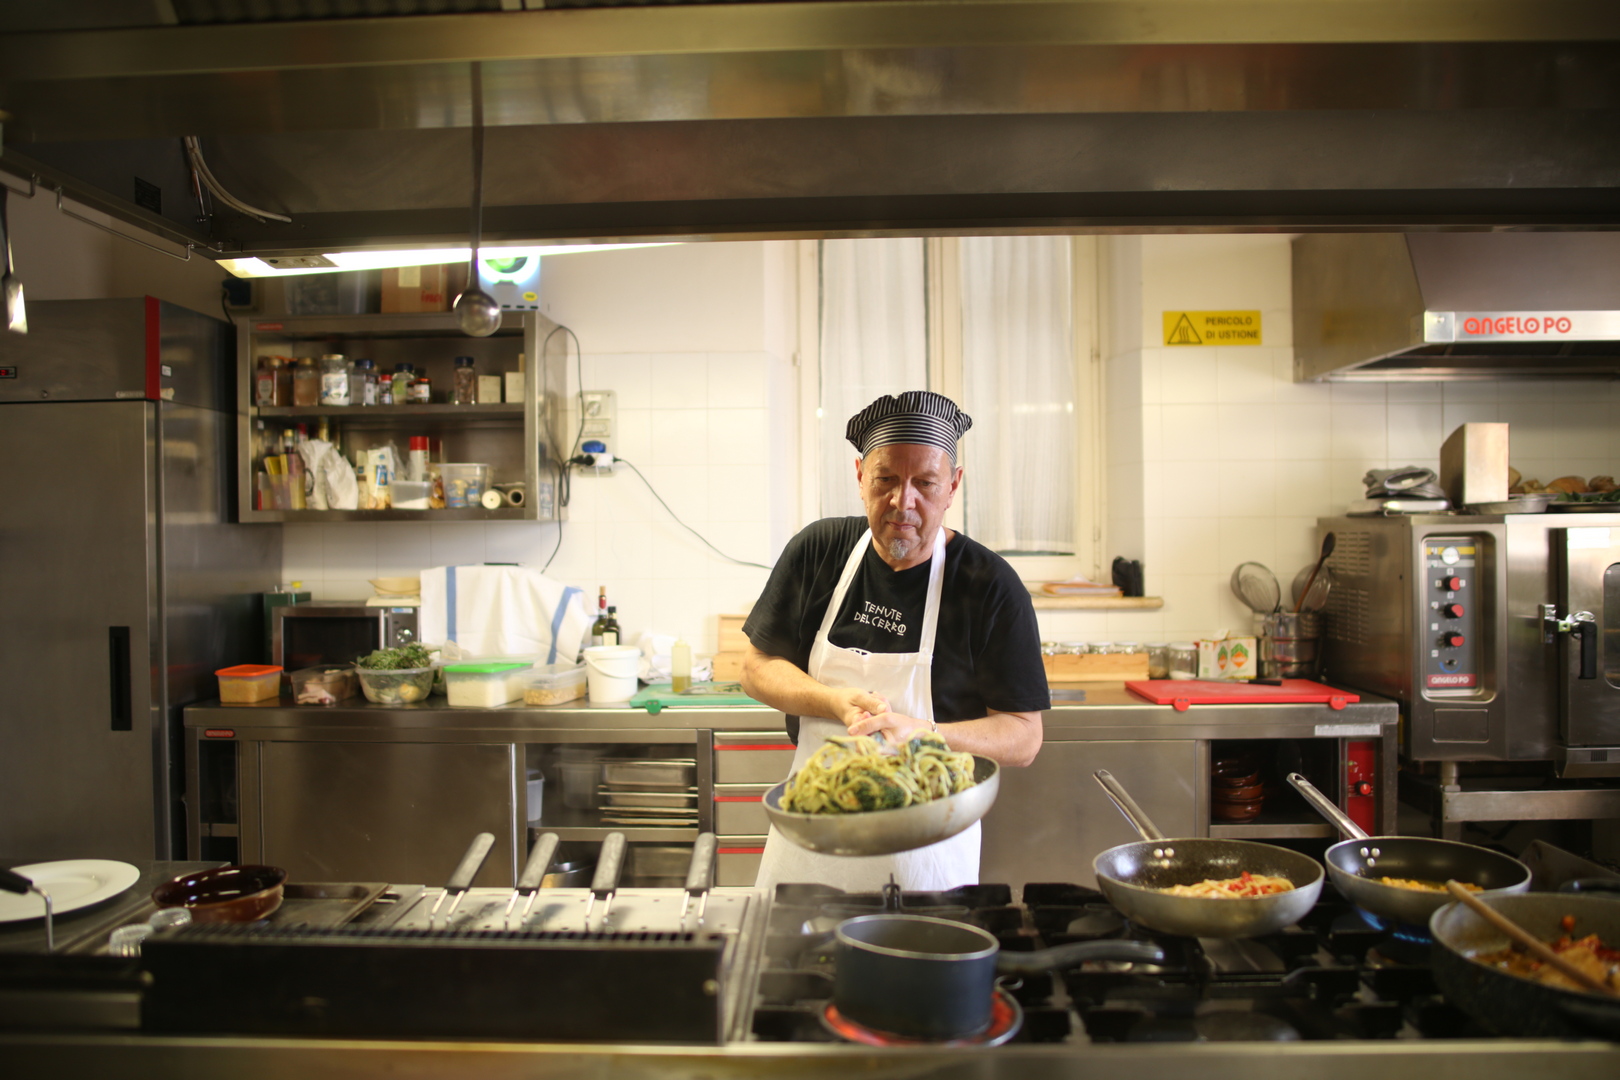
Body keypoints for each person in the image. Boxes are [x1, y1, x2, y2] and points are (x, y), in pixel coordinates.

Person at [742, 390, 1049, 893]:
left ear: (953, 486)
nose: (903, 502)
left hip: (926, 859)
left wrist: (923, 732)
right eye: (886, 479)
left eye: (925, 483)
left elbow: (1023, 736)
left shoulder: (989, 585)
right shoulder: (818, 551)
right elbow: (756, 667)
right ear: (860, 475)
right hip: (810, 849)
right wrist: (831, 701)